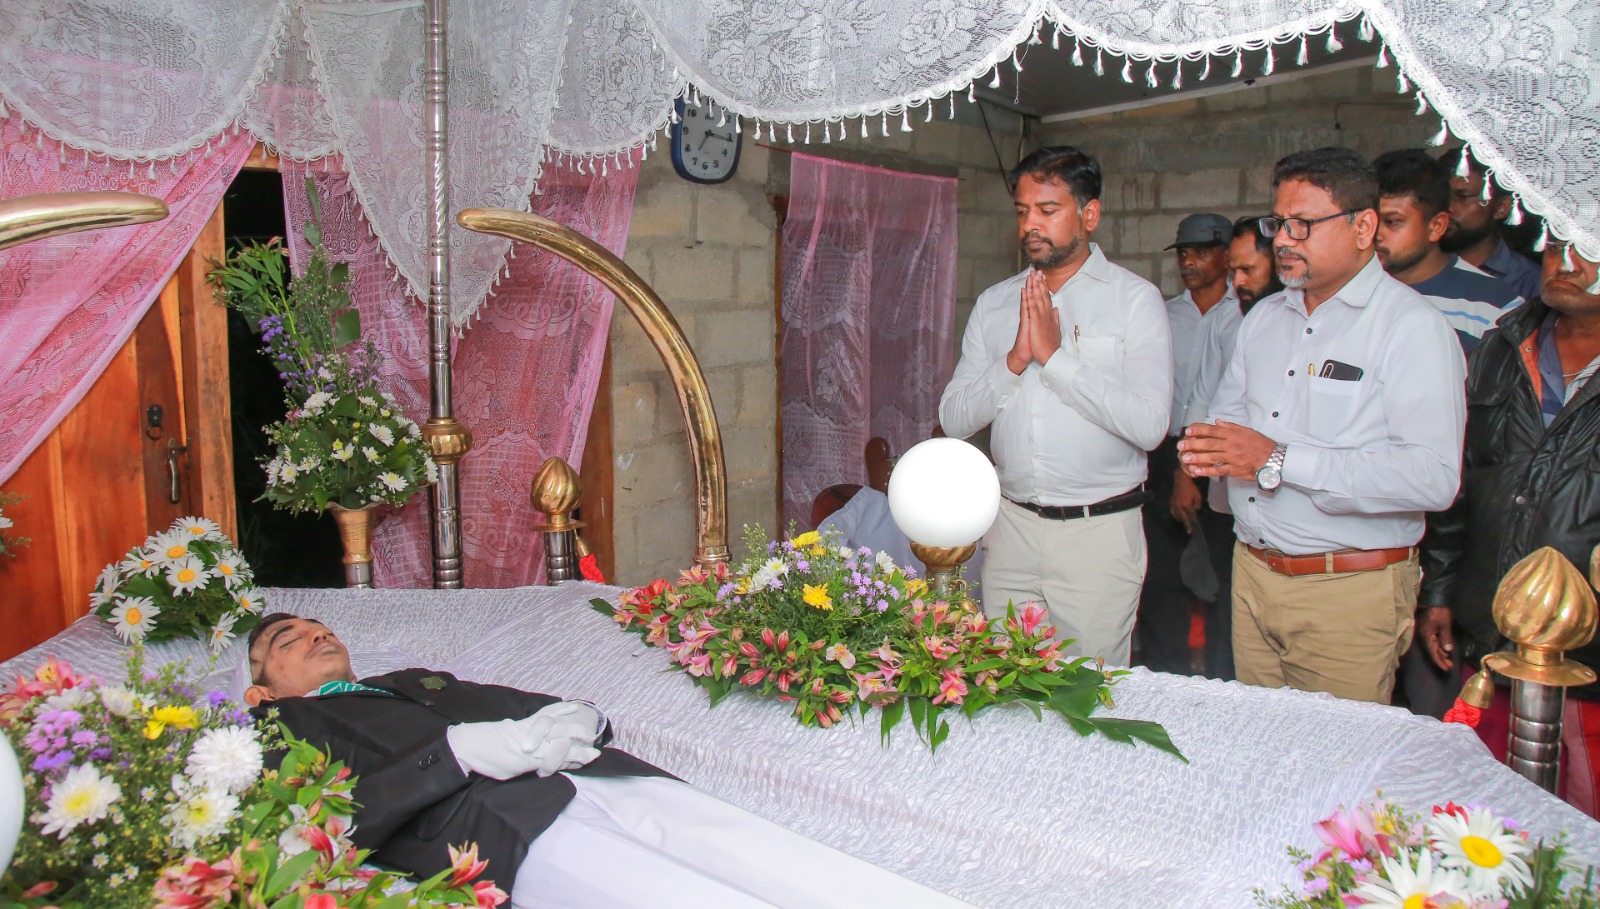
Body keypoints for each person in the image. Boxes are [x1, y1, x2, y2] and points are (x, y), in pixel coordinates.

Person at [244, 614, 973, 909]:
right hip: (498, 829)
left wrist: (579, 715)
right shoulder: (278, 730)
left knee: (777, 857)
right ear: (259, 688)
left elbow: (522, 702)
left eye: (319, 626)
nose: (314, 634)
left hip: (591, 773)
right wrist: (459, 754)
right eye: (288, 639)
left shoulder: (412, 679)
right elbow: (331, 824)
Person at [1177, 147, 1466, 704]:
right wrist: (1210, 447)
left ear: (1363, 227)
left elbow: (1433, 478)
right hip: (1253, 571)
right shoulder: (1264, 317)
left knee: (1335, 755)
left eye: (1303, 225)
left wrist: (1276, 458)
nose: (1283, 240)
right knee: (1260, 743)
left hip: (1346, 591)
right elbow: (1229, 422)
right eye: (1278, 223)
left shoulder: (1411, 328)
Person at [939, 145, 1171, 666]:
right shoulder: (996, 303)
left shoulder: (1134, 300)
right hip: (1011, 528)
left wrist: (1055, 358)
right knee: (1006, 683)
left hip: (1098, 534)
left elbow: (1150, 425)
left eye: (1047, 210)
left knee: (1089, 692)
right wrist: (1016, 360)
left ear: (1089, 214)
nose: (1030, 225)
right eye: (1022, 211)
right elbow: (954, 419)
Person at [1418, 241, 1600, 817]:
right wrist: (1440, 589)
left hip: (1589, 648)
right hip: (1492, 625)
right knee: (1487, 812)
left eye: (1589, 250)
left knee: (1580, 820)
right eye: (1557, 245)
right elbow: (1465, 473)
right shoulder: (1504, 343)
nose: (1564, 263)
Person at [1139, 213, 1240, 677]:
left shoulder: (1243, 314)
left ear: (1227, 256)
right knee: (1161, 575)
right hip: (1164, 454)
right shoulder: (1165, 315)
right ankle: (1165, 675)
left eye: (1201, 252)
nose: (1189, 261)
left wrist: (1193, 468)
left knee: (1219, 572)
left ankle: (1221, 680)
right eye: (1183, 253)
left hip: (1222, 455)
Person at [1374, 148, 1524, 352]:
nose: (1376, 234)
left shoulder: (1496, 307)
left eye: (1392, 222)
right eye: (1369, 220)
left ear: (1436, 226)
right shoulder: (1343, 289)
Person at [1438, 146, 1543, 303]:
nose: (1449, 207)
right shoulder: (1416, 265)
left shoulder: (1528, 282)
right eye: (1443, 196)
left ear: (1501, 208)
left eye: (1464, 197)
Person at [1228, 216, 1284, 316]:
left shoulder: (1304, 318)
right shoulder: (1229, 315)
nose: (1236, 282)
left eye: (1246, 269)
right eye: (1234, 271)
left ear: (1278, 263)